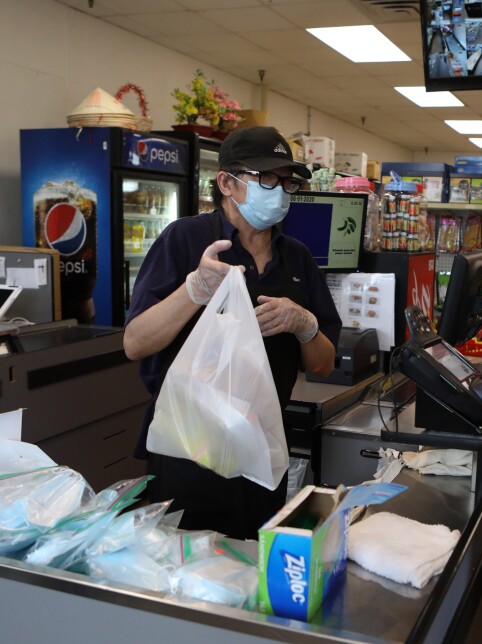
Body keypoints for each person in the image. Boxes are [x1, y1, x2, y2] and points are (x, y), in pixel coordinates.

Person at [124, 126, 341, 540]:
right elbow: (135, 343)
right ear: (226, 182)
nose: (278, 191)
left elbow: (324, 365)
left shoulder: (297, 257)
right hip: (187, 445)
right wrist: (193, 290)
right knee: (182, 572)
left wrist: (306, 326)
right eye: (266, 178)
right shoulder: (185, 239)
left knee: (250, 569)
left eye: (287, 181)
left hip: (260, 448)